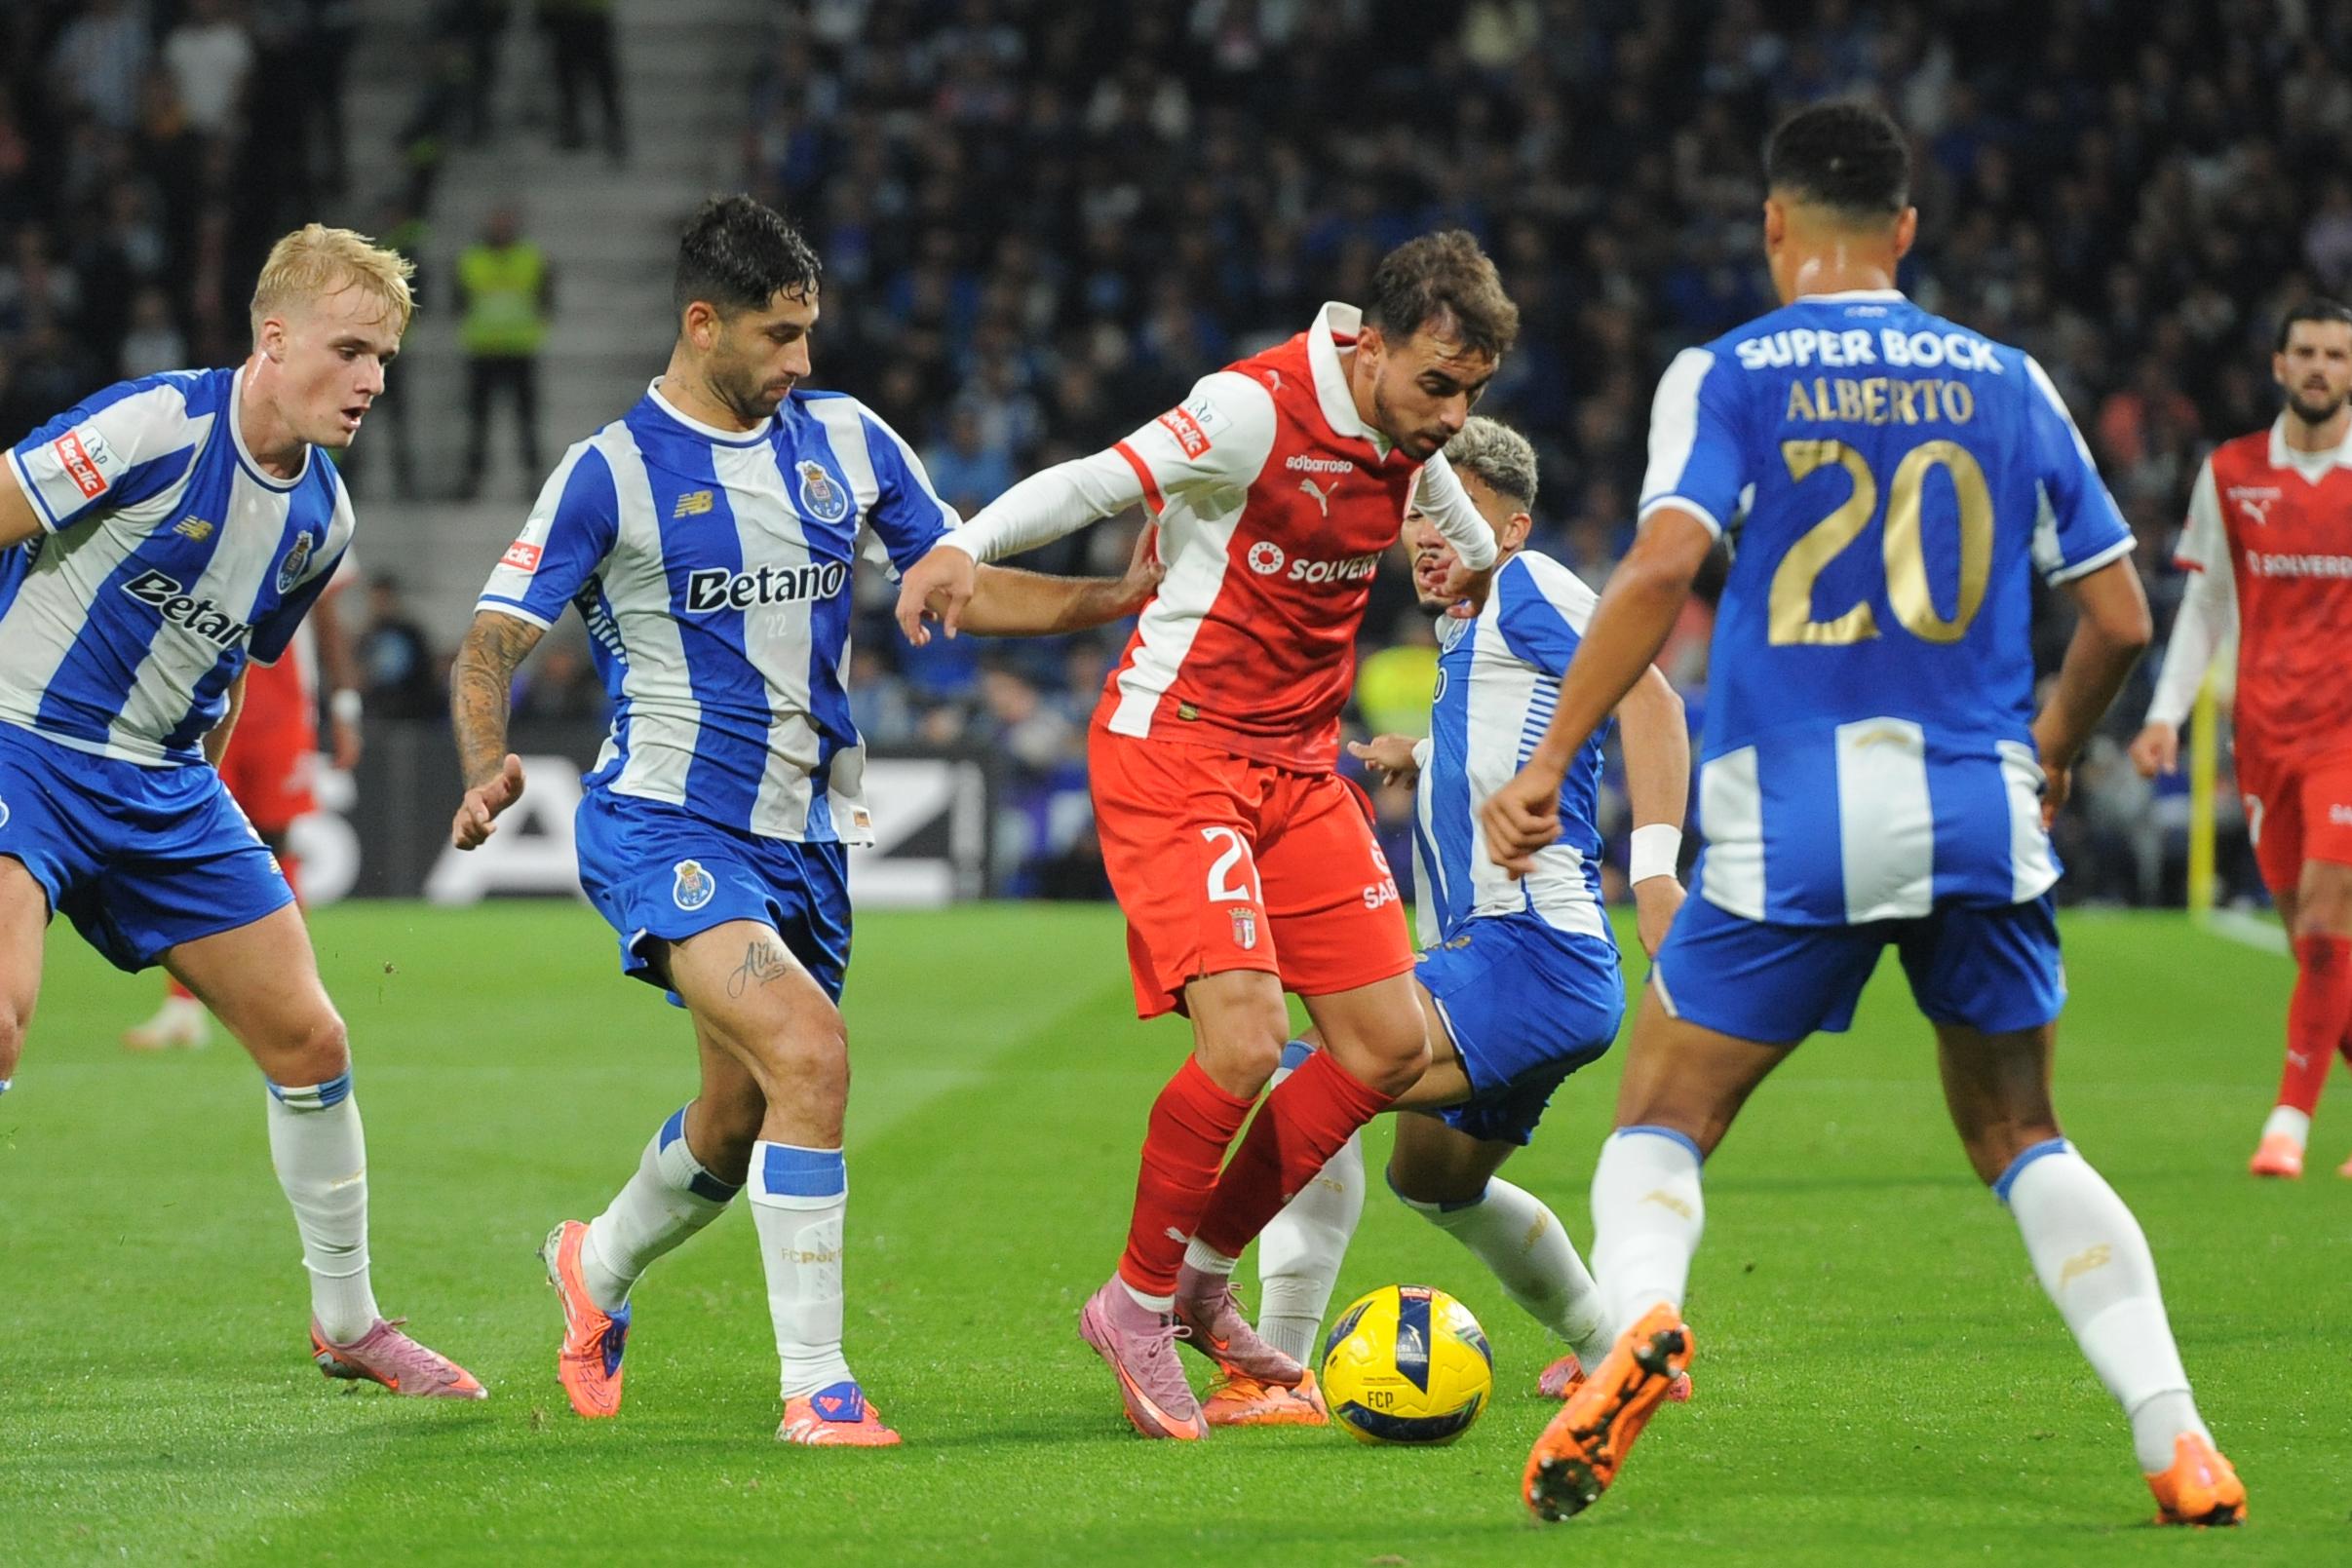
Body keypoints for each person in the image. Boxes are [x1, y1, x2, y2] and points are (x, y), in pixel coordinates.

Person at [1479, 102, 2243, 1527]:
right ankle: (2176, 1435)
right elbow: (2123, 613)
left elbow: (1659, 569)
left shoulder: (1727, 372)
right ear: (1904, 231)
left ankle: (1640, 1318)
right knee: (2023, 1134)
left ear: (1774, 225)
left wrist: (1546, 763)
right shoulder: (2008, 377)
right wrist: (2055, 750)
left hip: (1795, 823)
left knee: (1660, 1116)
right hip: (1975, 810)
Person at [447, 195, 1160, 1447]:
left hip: (808, 836)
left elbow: (959, 584)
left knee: (739, 1115)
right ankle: (816, 1386)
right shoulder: (610, 470)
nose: (802, 361)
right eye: (779, 336)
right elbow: (491, 640)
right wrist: (488, 762)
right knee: (814, 1055)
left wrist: (1118, 595)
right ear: (702, 323)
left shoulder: (847, 438)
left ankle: (593, 1267)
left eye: (809, 332)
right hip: (665, 823)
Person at [894, 231, 1515, 1439]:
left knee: (1387, 1049)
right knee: (1246, 1040)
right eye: (1438, 384)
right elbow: (1091, 482)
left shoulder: (1410, 438)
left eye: (1474, 394)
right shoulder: (1250, 406)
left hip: (1297, 768)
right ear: (1372, 346)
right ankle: (1130, 1307)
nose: (1451, 416)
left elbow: (1459, 530)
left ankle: (1197, 1277)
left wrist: (1469, 561)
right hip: (1175, 750)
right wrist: (963, 543)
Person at [0, 223, 481, 1399]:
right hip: (20, 740)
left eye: (387, 360)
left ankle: (350, 1323)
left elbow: (226, 670)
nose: (371, 381)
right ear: (275, 339)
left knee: (313, 1039)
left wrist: (201, 800)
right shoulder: (156, 424)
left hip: (165, 787)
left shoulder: (325, 519)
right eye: (352, 349)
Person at [1240, 417, 1691, 1421]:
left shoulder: (1530, 587)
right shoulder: (1471, 631)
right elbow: (1527, 739)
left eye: (1455, 515)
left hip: (1530, 954)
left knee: (1318, 1073)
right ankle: (1612, 1349)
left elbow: (1650, 697)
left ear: (1514, 528)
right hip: (1525, 967)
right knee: (1435, 1182)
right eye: (1413, 514)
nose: (1426, 534)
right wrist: (1425, 756)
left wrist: (1655, 873)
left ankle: (1272, 1371)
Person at [2129, 301, 2352, 1179]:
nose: (2320, 367)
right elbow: (2207, 603)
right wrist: (2164, 714)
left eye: (2336, 354)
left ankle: (2287, 1124)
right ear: (2276, 363)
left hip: (2345, 738)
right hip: (2263, 735)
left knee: (2329, 927)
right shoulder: (2230, 473)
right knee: (2310, 937)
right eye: (2306, 351)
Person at [124, 571, 366, 1051]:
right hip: (200, 691)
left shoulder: (318, 503)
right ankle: (183, 1007)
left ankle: (293, 993)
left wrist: (344, 704)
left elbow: (326, 613)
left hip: (280, 701)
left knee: (276, 842)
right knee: (189, 837)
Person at [456, 204, 552, 495]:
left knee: (526, 420)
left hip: (519, 349)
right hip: (483, 349)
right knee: (478, 421)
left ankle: (534, 479)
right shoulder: (471, 260)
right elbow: (458, 300)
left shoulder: (531, 258)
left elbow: (546, 298)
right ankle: (473, 478)